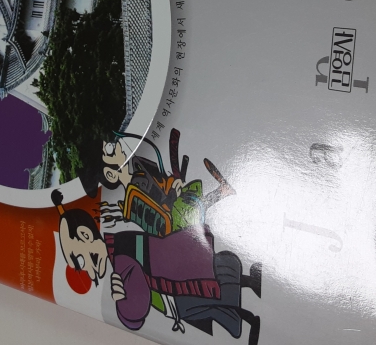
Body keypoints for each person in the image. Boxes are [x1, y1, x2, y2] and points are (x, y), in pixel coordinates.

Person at [52, 190, 262, 344]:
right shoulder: (118, 240)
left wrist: (121, 302)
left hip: (180, 277)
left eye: (80, 262)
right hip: (183, 257)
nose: (87, 272)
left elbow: (137, 309)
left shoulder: (120, 259)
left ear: (85, 235)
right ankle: (250, 293)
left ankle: (248, 319)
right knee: (220, 275)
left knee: (213, 298)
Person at [79, 129, 236, 236]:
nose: (116, 145)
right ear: (111, 174)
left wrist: (173, 183)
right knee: (190, 206)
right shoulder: (134, 196)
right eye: (110, 150)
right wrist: (172, 193)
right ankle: (222, 191)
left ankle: (222, 191)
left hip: (179, 214)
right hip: (176, 225)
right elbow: (157, 213)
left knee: (192, 202)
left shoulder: (139, 172)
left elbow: (162, 184)